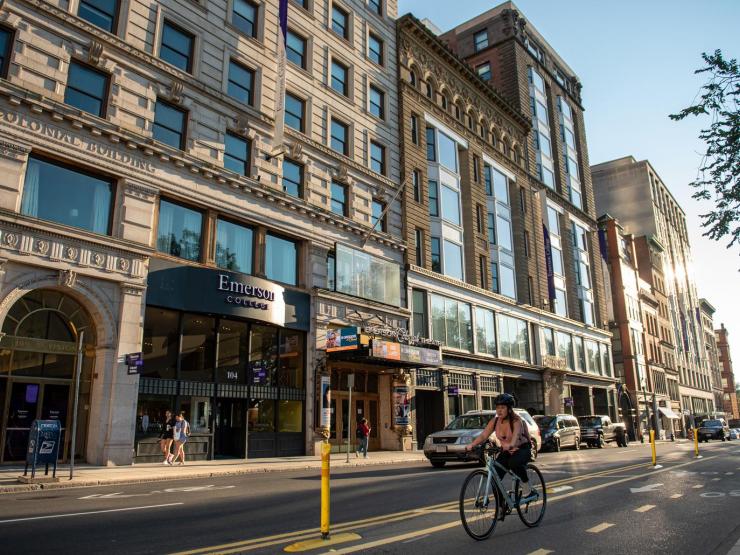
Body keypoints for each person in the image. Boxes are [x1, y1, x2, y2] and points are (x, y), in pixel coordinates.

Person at [464, 393, 535, 503]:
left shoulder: (517, 421)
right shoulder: (495, 421)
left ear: (509, 409)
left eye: (502, 407)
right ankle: (502, 506)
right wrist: (472, 445)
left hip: (522, 449)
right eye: (497, 408)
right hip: (506, 450)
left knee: (514, 463)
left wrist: (510, 445)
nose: (499, 410)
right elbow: (484, 435)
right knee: (494, 477)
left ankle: (527, 487)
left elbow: (515, 438)